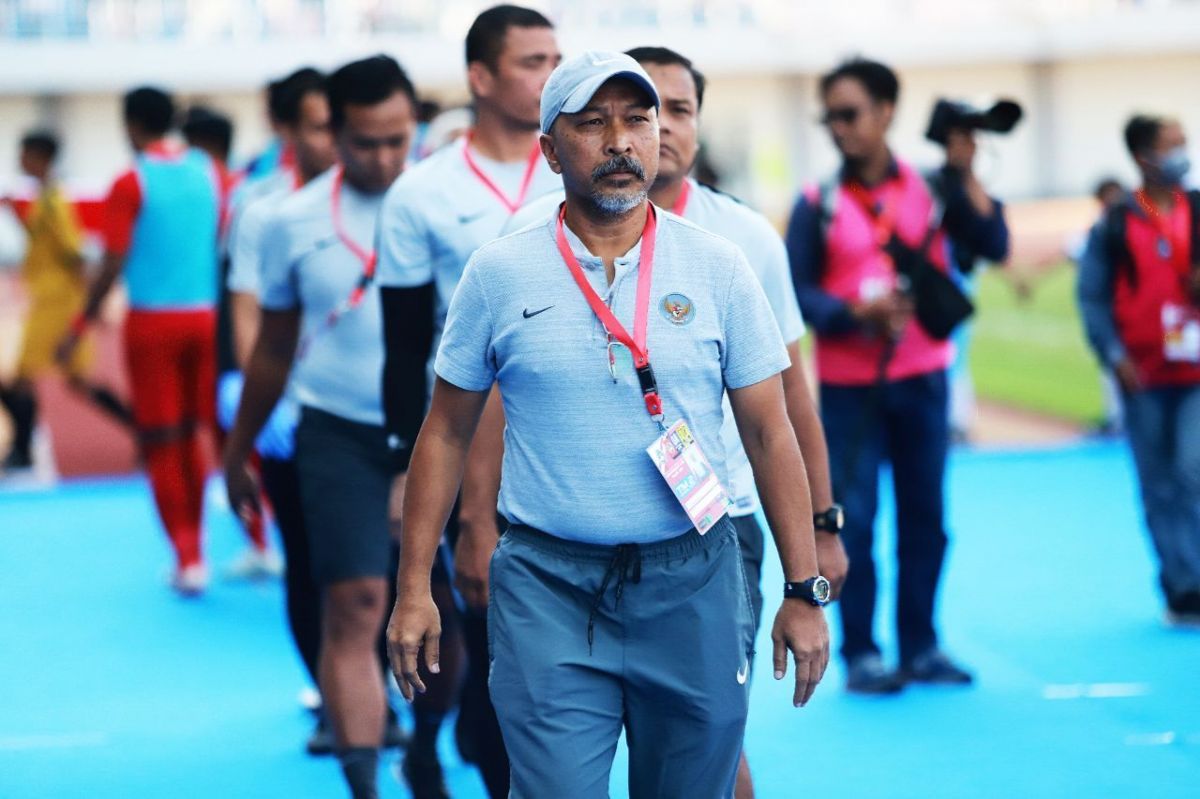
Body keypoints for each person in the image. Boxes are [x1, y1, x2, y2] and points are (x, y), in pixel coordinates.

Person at [386, 50, 831, 799]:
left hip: (693, 579)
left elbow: (769, 431)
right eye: (592, 123)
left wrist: (802, 586)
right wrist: (413, 587)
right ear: (551, 150)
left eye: (637, 120)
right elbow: (447, 431)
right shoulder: (498, 273)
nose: (620, 142)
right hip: (547, 585)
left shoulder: (719, 266)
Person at [374, 6, 561, 796]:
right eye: (531, 62)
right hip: (472, 451)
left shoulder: (579, 170)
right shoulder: (421, 194)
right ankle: (448, 745)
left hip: (571, 445)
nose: (551, 76)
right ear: (480, 77)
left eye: (557, 60)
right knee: (490, 645)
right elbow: (403, 350)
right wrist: (402, 468)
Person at [223, 55, 418, 799]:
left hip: (440, 434)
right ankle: (364, 781)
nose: (384, 159)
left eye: (398, 140)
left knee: (455, 614)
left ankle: (431, 740)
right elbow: (273, 347)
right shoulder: (287, 221)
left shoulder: (439, 205)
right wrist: (238, 450)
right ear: (334, 133)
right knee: (354, 602)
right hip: (338, 432)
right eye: (366, 142)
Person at [785, 58, 984, 694]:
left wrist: (967, 172)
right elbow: (794, 296)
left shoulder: (934, 190)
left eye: (850, 114)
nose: (838, 128)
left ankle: (922, 645)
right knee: (858, 522)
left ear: (887, 111)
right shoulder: (816, 203)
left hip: (923, 379)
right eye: (829, 118)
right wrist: (852, 313)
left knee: (927, 519)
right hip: (850, 389)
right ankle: (863, 653)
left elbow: (995, 241)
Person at [59, 87, 221, 595]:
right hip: (207, 319)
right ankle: (207, 544)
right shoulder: (207, 171)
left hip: (153, 325)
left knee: (161, 439)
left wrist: (80, 325)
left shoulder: (130, 181)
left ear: (130, 124)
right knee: (193, 434)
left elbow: (112, 261)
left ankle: (188, 557)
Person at [222, 66, 339, 752]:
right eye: (320, 126)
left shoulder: (396, 199)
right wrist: (271, 407)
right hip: (293, 418)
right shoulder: (262, 209)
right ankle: (334, 697)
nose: (335, 140)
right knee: (310, 562)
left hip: (376, 421)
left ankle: (380, 688)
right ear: (288, 130)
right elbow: (248, 317)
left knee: (377, 572)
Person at [1077, 114, 1200, 625]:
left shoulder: (1198, 208)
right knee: (1158, 483)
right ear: (1143, 156)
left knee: (1193, 470)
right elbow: (1092, 295)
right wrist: (1114, 355)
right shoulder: (1115, 222)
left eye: (1184, 142)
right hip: (1142, 373)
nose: (1182, 152)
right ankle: (1180, 584)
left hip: (1195, 373)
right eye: (1172, 145)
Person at [0, 131, 131, 473]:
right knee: (78, 381)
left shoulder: (54, 202)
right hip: (52, 300)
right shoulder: (45, 198)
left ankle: (22, 450)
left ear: (39, 157)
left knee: (20, 378)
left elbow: (74, 254)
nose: (19, 160)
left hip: (56, 305)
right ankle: (142, 430)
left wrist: (94, 306)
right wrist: (18, 216)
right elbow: (49, 244)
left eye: (24, 153)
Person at [926, 110, 1011, 442]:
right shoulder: (930, 186)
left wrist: (969, 174)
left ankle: (956, 421)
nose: (965, 148)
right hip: (929, 288)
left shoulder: (974, 191)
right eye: (958, 141)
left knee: (955, 355)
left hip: (957, 286)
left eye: (971, 141)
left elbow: (997, 246)